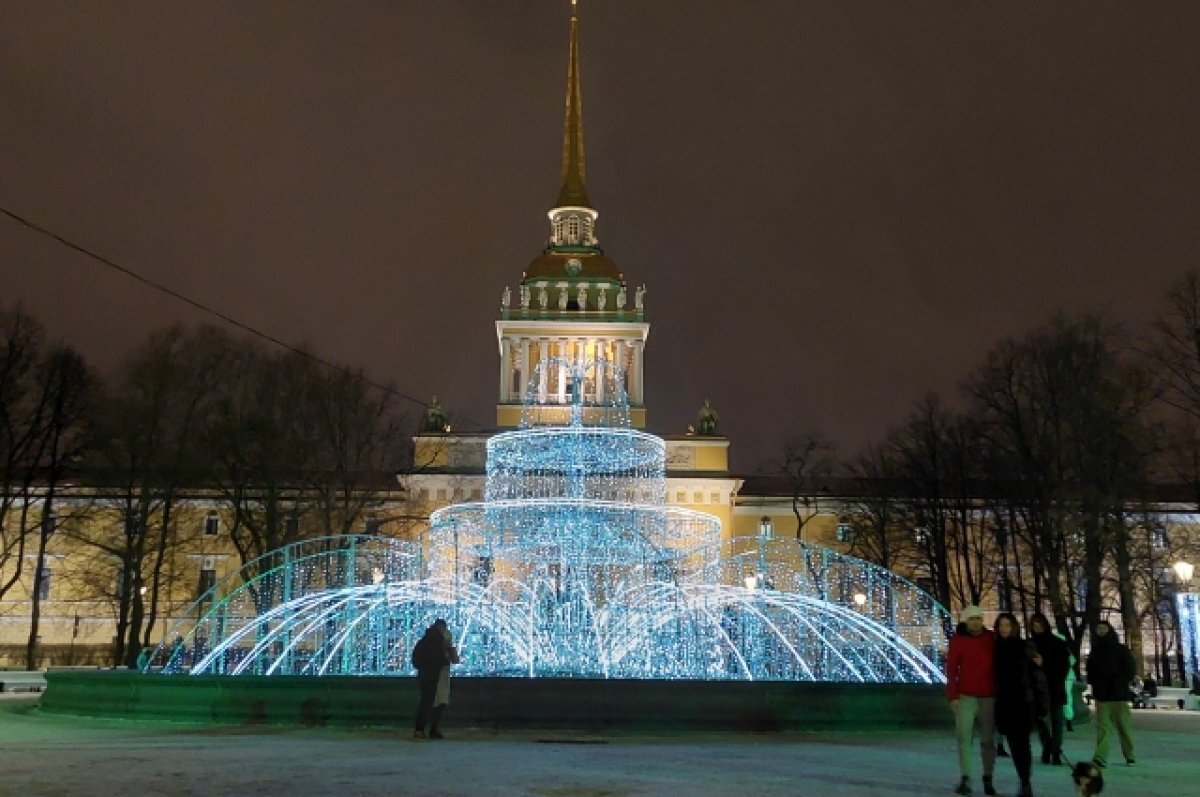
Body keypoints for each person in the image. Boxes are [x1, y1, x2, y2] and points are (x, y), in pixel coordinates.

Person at [993, 613, 1050, 797]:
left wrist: (1042, 704)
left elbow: (1038, 677)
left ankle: (1025, 782)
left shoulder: (1025, 647)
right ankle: (1023, 778)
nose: (1004, 628)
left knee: (1023, 745)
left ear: (1014, 627)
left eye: (1007, 625)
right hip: (1004, 704)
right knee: (1014, 745)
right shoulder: (994, 649)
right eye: (1001, 625)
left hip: (1023, 704)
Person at [946, 605, 998, 796]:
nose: (975, 622)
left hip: (988, 697)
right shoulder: (958, 641)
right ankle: (966, 777)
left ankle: (987, 776)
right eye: (971, 619)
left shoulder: (991, 639)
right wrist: (952, 696)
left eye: (978, 618)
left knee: (988, 740)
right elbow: (951, 670)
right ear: (965, 621)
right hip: (966, 696)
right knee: (963, 738)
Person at [1086, 620, 1136, 768]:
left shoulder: (1121, 650)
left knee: (1124, 727)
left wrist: (1119, 682)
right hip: (1102, 696)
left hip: (1118, 695)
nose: (1101, 631)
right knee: (1102, 728)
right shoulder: (1095, 651)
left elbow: (1130, 669)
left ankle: (1130, 755)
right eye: (1098, 629)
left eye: (1103, 628)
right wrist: (1095, 683)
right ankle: (1100, 757)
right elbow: (1090, 671)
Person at [1028, 612, 1071, 765]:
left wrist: (1044, 665)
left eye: (1040, 624)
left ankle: (1055, 750)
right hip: (1038, 690)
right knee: (1041, 722)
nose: (1037, 627)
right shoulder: (1029, 645)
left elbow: (1063, 666)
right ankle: (1049, 748)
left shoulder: (1057, 644)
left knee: (1057, 722)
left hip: (1055, 688)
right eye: (1034, 625)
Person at [412, 619, 457, 740]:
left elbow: (454, 660)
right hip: (432, 676)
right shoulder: (432, 642)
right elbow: (445, 659)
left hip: (434, 676)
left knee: (435, 702)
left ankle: (427, 729)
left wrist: (450, 648)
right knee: (430, 702)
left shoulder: (426, 642)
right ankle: (423, 729)